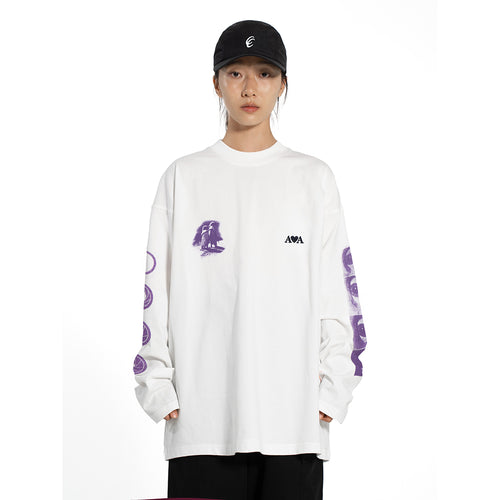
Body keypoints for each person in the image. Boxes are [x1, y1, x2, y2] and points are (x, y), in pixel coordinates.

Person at [133, 19, 367, 500]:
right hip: (202, 423)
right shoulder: (183, 178)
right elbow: (157, 289)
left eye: (264, 73)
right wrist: (157, 383)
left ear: (283, 84)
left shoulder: (313, 179)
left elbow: (337, 291)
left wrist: (335, 387)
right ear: (215, 82)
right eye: (235, 72)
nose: (249, 88)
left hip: (293, 425)